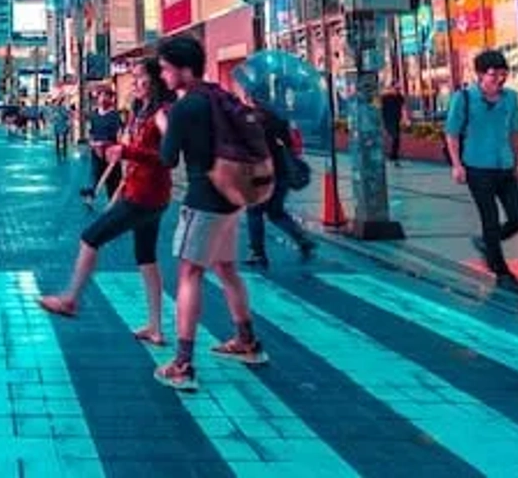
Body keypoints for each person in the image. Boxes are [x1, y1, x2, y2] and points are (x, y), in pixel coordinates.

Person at [154, 36, 266, 392]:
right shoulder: (218, 94)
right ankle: (246, 340)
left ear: (184, 69)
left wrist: (163, 125)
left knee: (189, 274)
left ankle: (183, 364)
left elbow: (168, 159)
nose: (163, 75)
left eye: (166, 69)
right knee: (226, 268)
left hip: (204, 198)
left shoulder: (185, 108)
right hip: (232, 196)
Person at [39, 60, 173, 344]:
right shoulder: (142, 111)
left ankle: (71, 299)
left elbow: (167, 155)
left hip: (144, 196)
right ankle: (156, 327)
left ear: (155, 81)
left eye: (139, 78)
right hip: (148, 193)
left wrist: (125, 151)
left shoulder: (161, 113)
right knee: (146, 258)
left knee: (90, 237)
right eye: (134, 78)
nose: (134, 83)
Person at [445, 50, 518, 296]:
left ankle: (486, 244)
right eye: (494, 75)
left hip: (505, 166)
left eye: (504, 74)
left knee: (517, 219)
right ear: (481, 74)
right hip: (477, 168)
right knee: (490, 219)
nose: (499, 80)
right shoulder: (464, 98)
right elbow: (451, 133)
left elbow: (515, 132)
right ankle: (502, 272)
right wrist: (457, 165)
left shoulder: (511, 98)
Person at [244, 101, 316, 267]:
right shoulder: (279, 117)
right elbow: (289, 144)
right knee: (276, 212)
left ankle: (258, 252)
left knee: (254, 212)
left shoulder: (250, 118)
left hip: (260, 171)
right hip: (281, 170)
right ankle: (302, 239)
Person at [83, 88, 123, 203]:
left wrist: (107, 144)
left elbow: (119, 135)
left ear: (111, 98)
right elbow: (91, 131)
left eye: (106, 96)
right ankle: (90, 197)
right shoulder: (94, 114)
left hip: (111, 153)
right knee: (94, 175)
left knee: (113, 181)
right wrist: (92, 143)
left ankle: (114, 203)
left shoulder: (114, 115)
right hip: (96, 152)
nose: (102, 99)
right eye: (100, 96)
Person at [380, 84, 406, 165]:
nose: (397, 90)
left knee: (396, 138)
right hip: (387, 120)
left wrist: (405, 118)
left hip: (396, 119)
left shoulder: (400, 97)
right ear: (391, 88)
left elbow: (403, 107)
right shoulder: (384, 97)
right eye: (396, 89)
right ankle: (390, 155)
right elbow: (376, 107)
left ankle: (393, 155)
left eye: (399, 89)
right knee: (392, 137)